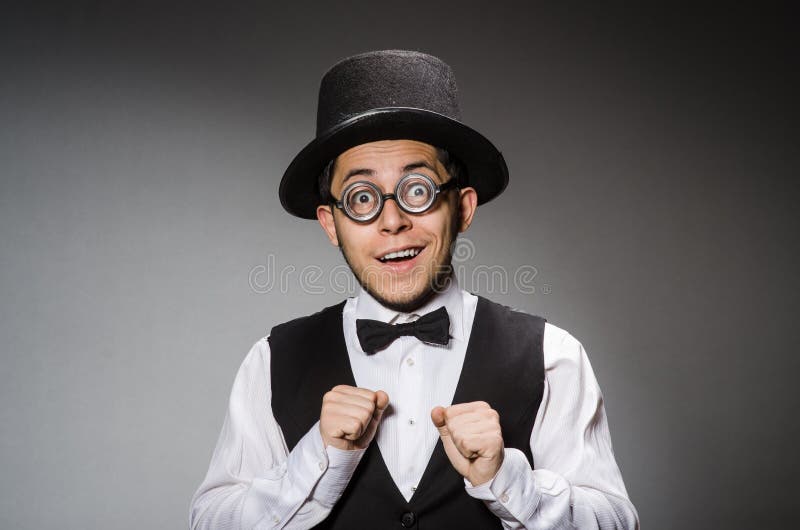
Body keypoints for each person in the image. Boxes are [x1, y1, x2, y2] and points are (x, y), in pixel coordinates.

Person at [190, 50, 639, 529]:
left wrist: (507, 479)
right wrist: (316, 462)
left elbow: (616, 521)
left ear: (463, 208)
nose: (392, 221)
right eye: (362, 198)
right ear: (331, 223)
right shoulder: (272, 360)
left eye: (418, 190)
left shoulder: (553, 356)